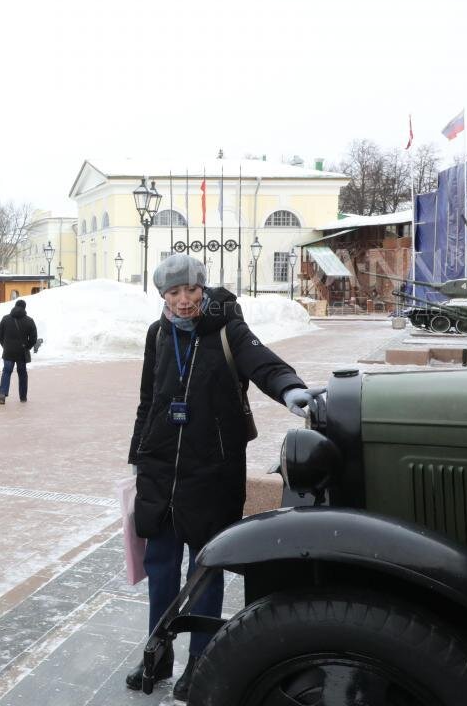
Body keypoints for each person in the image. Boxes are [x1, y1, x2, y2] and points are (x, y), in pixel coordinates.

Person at [126, 255, 310, 701]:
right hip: (160, 470)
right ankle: (158, 653)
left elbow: (261, 362)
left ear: (202, 288)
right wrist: (138, 454)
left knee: (205, 569)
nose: (184, 300)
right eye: (173, 293)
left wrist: (290, 388)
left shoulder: (228, 328)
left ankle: (202, 663)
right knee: (161, 569)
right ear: (162, 297)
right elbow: (149, 398)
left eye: (190, 290)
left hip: (212, 469)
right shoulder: (157, 334)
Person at [0, 299, 38, 404]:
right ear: (24, 308)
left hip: (8, 352)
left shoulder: (5, 319)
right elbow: (33, 338)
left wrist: (5, 345)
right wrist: (27, 346)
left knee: (6, 371)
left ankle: (2, 394)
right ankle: (23, 397)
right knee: (22, 373)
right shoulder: (29, 321)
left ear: (15, 306)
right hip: (21, 352)